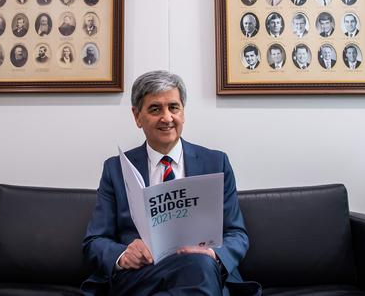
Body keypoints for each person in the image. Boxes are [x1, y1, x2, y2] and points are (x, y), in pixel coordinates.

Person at [82, 70, 260, 296]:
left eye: (173, 107)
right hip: (141, 275)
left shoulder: (216, 163)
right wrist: (124, 254)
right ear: (137, 116)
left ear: (183, 113)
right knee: (199, 272)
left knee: (199, 265)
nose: (167, 118)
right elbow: (94, 240)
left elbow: (237, 233)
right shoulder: (115, 169)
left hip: (204, 269)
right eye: (155, 109)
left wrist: (213, 255)